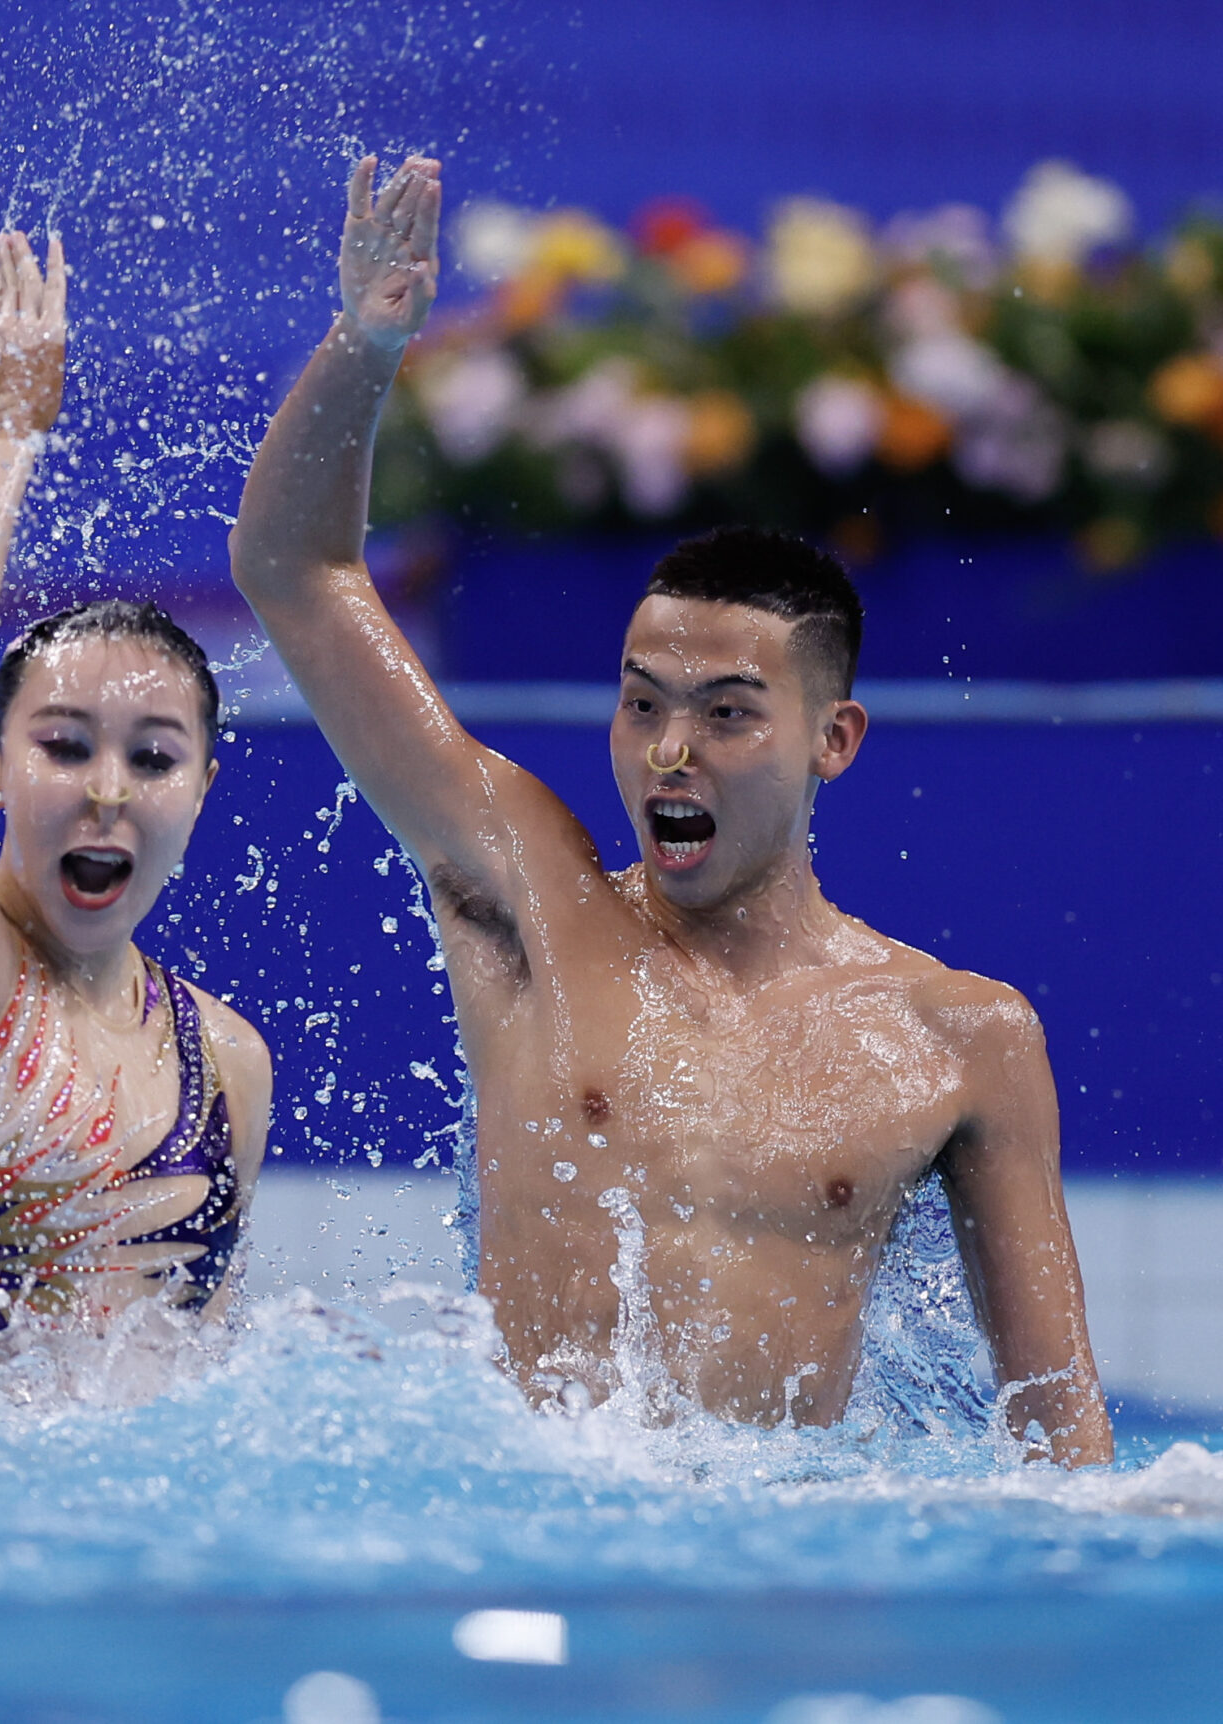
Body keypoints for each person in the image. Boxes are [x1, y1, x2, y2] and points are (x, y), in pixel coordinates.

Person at [230, 153, 1111, 1464]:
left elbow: (1060, 1432)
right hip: (534, 1528)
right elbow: (293, 570)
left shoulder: (963, 1037)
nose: (669, 751)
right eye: (641, 703)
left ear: (834, 740)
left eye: (727, 713)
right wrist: (364, 346)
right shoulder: (530, 899)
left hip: (770, 1553)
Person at [0, 228, 273, 1347]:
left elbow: (205, 1378)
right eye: (64, 747)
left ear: (203, 789)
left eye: (153, 758)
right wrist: (9, 433)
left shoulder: (226, 1063)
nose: (107, 790)